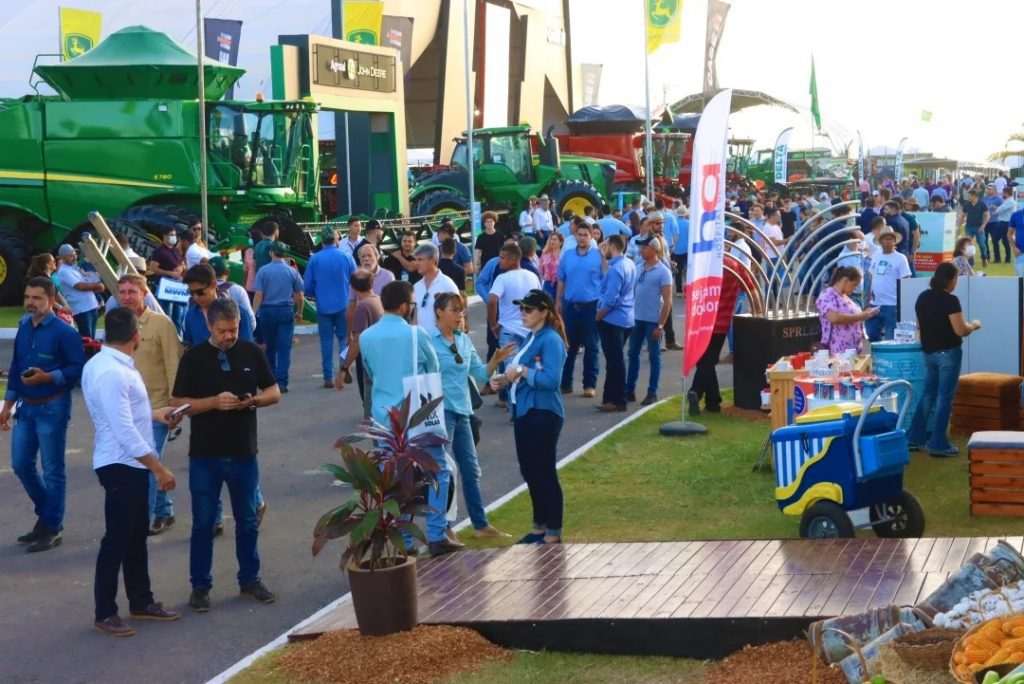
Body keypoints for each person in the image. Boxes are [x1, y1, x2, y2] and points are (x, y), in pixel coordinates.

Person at [171, 298, 282, 612]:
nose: (228, 336)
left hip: (244, 452)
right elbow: (178, 402)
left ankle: (250, 579)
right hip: (204, 455)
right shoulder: (193, 358)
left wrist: (254, 402)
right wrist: (213, 403)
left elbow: (274, 393)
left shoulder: (250, 353)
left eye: (233, 330)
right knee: (203, 523)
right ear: (209, 326)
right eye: (222, 331)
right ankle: (200, 586)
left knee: (247, 521)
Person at [82, 307, 182, 637]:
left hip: (126, 463)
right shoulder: (113, 372)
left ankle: (141, 599)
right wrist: (158, 467)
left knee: (135, 535)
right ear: (136, 336)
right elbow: (123, 429)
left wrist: (157, 415)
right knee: (118, 539)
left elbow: (128, 415)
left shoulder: (107, 364)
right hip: (122, 464)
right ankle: (105, 611)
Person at [360, 281, 456, 556]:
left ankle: (406, 540)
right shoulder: (417, 334)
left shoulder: (367, 337)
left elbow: (369, 372)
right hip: (417, 415)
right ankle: (437, 533)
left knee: (394, 480)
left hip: (383, 420)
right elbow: (432, 368)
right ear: (405, 306)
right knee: (438, 470)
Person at [1, 277, 85, 553]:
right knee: (21, 464)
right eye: (27, 297)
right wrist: (7, 406)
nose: (30, 303)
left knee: (52, 470)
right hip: (25, 407)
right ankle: (47, 515)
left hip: (53, 407)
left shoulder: (65, 333)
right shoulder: (24, 327)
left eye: (37, 298)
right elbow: (15, 368)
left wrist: (49, 377)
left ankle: (52, 527)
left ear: (51, 300)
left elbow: (77, 370)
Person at [431, 293, 514, 538]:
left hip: (463, 411)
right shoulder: (429, 341)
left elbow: (480, 374)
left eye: (461, 310)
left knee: (470, 468)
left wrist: (495, 360)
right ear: (439, 312)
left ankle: (480, 524)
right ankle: (444, 527)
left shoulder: (463, 341)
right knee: (444, 471)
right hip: (441, 412)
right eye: (454, 310)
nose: (460, 315)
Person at [489, 289, 567, 545]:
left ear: (544, 312)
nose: (523, 313)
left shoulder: (550, 340)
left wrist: (522, 371)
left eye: (528, 309)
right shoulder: (530, 338)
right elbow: (520, 372)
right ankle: (539, 526)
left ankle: (552, 530)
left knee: (543, 471)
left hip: (542, 412)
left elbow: (551, 380)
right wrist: (504, 379)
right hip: (525, 411)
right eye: (521, 309)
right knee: (530, 470)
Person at [114, 275, 183, 535]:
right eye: (122, 292)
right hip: (127, 410)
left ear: (145, 293)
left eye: (132, 291)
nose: (127, 296)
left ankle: (145, 517)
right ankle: (164, 511)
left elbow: (173, 364)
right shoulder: (118, 324)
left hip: (158, 408)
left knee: (146, 463)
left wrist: (175, 406)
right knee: (143, 462)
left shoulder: (160, 324)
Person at [908, 262, 981, 458]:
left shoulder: (922, 297)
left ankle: (915, 436)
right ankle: (938, 441)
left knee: (928, 394)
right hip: (948, 352)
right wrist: (973, 325)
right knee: (944, 397)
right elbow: (960, 330)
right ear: (950, 280)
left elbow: (919, 327)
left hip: (929, 352)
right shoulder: (951, 301)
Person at [688, 257, 746, 415]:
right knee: (708, 361)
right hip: (721, 322)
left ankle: (707, 398)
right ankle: (705, 397)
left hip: (702, 320)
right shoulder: (734, 265)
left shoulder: (704, 263)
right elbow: (750, 286)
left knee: (705, 361)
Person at [488, 242, 541, 406]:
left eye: (502, 258)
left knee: (511, 370)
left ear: (513, 260)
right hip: (530, 330)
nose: (500, 262)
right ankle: (528, 403)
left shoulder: (502, 278)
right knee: (527, 368)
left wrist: (493, 324)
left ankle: (515, 407)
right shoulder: (532, 276)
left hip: (508, 329)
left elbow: (492, 300)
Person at [303, 227, 356, 388]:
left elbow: (307, 287)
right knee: (343, 339)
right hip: (344, 304)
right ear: (336, 239)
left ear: (321, 240)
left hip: (323, 306)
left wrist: (317, 294)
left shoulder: (315, 259)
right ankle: (343, 369)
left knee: (326, 341)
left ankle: (328, 377)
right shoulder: (346, 257)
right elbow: (355, 281)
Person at [626, 235, 673, 406]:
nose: (640, 250)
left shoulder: (663, 272)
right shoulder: (639, 267)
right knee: (632, 354)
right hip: (637, 319)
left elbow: (668, 301)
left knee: (654, 357)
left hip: (652, 321)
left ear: (654, 249)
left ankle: (652, 391)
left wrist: (661, 324)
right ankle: (629, 390)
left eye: (644, 247)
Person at [254, 242, 305, 393]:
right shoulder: (292, 271)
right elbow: (300, 295)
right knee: (284, 348)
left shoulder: (263, 271)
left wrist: (254, 312)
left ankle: (270, 381)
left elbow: (258, 294)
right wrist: (299, 311)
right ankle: (282, 382)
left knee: (269, 347)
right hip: (285, 311)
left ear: (271, 253)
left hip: (267, 311)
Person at [596, 235, 636, 412]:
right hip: (625, 317)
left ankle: (617, 399)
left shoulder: (617, 269)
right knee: (615, 360)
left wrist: (598, 315)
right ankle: (611, 397)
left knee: (614, 362)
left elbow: (610, 299)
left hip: (612, 319)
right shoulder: (628, 264)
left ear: (612, 246)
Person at [337, 269, 384, 418]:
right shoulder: (378, 300)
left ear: (353, 287)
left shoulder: (362, 307)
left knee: (370, 405)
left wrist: (344, 368)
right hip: (381, 359)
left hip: (370, 362)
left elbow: (357, 341)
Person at [182, 264, 254, 347]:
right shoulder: (191, 315)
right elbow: (189, 346)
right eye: (191, 293)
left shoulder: (239, 313)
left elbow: (248, 349)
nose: (195, 297)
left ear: (214, 285)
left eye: (200, 292)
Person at [815, 267, 877, 355]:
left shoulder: (845, 297)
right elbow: (834, 318)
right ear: (845, 280)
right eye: (854, 285)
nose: (854, 289)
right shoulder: (827, 295)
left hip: (853, 349)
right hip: (838, 351)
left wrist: (865, 313)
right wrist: (862, 316)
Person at [865, 226, 911, 341]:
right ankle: (876, 358)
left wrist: (903, 303)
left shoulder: (901, 258)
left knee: (890, 338)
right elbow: (870, 277)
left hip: (892, 304)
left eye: (890, 239)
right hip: (875, 303)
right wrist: (867, 299)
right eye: (885, 239)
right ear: (880, 241)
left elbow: (906, 280)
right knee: (872, 335)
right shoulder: (876, 256)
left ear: (895, 241)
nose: (888, 241)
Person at [55, 243, 103, 338]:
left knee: (91, 338)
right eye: (71, 255)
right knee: (87, 339)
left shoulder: (74, 268)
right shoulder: (64, 271)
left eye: (75, 254)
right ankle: (88, 353)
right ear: (63, 258)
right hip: (82, 310)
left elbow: (85, 281)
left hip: (90, 307)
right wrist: (97, 286)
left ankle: (91, 353)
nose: (75, 257)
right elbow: (79, 286)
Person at [148, 226, 187, 332]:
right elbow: (153, 268)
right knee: (167, 315)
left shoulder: (176, 251)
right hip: (165, 287)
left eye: (174, 235)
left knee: (178, 316)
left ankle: (178, 339)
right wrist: (170, 273)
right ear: (164, 236)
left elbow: (183, 263)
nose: (173, 237)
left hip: (177, 287)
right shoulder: (159, 251)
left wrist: (181, 268)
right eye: (171, 235)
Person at [209, 256, 257, 332]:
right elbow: (251, 322)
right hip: (235, 338)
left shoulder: (201, 291)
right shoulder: (238, 290)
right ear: (227, 272)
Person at [959, 190, 990, 267]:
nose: (968, 197)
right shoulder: (967, 204)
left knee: (982, 244)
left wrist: (983, 225)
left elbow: (987, 215)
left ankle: (984, 258)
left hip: (979, 227)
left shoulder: (982, 204)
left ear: (975, 196)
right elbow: (962, 215)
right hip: (969, 227)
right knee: (968, 245)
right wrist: (959, 225)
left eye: (970, 196)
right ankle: (971, 262)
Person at [989, 187, 1017, 264]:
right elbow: (1001, 208)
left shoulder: (1010, 201)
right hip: (1004, 223)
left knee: (995, 239)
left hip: (1005, 223)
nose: (1002, 194)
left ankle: (998, 259)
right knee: (1005, 241)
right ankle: (1007, 259)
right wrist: (996, 208)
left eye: (1003, 193)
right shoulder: (1007, 201)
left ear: (1007, 193)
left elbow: (1000, 209)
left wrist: (995, 211)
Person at [539, 231, 563, 298]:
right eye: (551, 239)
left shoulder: (564, 256)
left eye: (555, 239)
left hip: (560, 284)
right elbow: (540, 270)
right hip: (548, 284)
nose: (552, 241)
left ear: (560, 242)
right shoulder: (545, 254)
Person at [1010, 201, 1024, 277]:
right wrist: (1014, 248)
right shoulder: (1016, 215)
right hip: (1020, 254)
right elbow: (1009, 234)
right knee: (1019, 281)